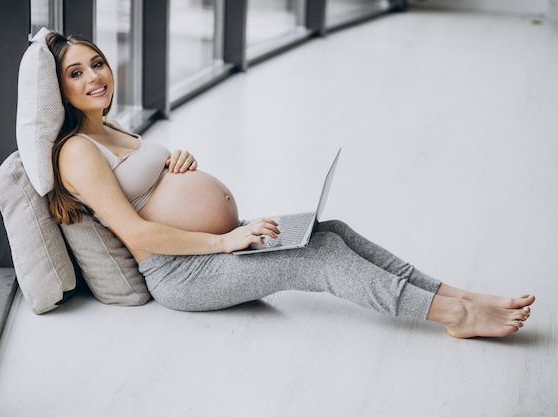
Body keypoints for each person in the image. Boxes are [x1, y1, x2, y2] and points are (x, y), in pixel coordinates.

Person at [45, 31, 534, 339]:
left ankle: (459, 295)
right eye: (76, 72)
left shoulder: (110, 128)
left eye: (97, 63)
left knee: (331, 230)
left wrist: (176, 160)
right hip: (183, 274)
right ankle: (454, 316)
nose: (94, 75)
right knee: (316, 257)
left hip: (214, 247)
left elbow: (145, 189)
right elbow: (139, 235)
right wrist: (226, 240)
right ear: (57, 89)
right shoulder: (77, 149)